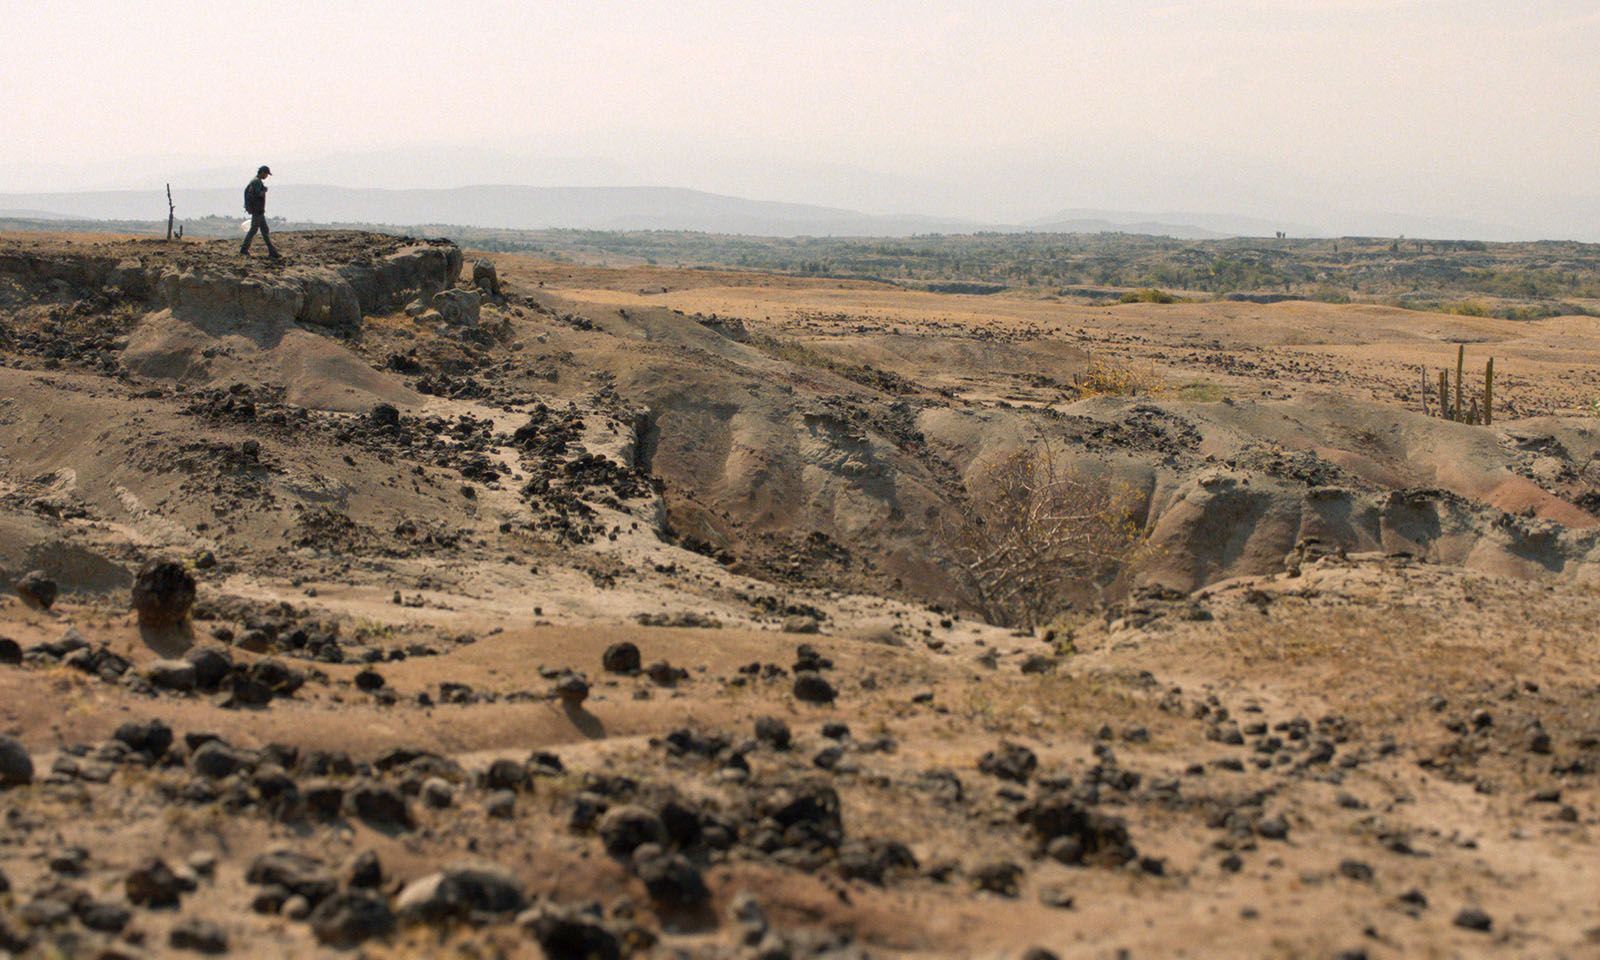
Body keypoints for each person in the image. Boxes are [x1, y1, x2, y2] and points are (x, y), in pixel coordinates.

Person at [240, 165, 280, 259]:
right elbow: (258, 194)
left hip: (258, 210)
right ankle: (244, 249)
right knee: (254, 229)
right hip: (257, 210)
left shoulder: (254, 181)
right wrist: (264, 191)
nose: (266, 176)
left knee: (264, 230)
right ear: (262, 172)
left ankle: (272, 251)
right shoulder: (257, 182)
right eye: (266, 174)